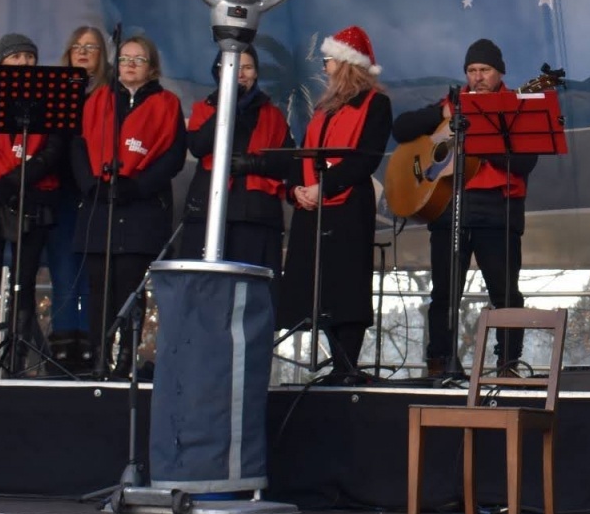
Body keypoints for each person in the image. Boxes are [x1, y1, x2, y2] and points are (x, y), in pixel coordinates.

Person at [393, 38, 534, 376]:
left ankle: (508, 364)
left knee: (505, 293)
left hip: (497, 209)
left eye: (484, 70)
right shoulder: (454, 103)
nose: (477, 77)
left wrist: (481, 138)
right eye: (471, 71)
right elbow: (401, 129)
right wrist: (440, 113)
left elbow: (525, 162)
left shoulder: (516, 106)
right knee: (444, 292)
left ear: (500, 72)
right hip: (448, 206)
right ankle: (439, 361)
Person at [277, 25, 393, 385]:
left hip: (346, 208)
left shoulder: (375, 104)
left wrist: (324, 187)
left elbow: (364, 159)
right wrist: (296, 188)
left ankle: (347, 365)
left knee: (346, 286)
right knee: (318, 286)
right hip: (313, 207)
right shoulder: (323, 108)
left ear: (345, 64)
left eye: (327, 60)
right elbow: (305, 153)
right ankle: (337, 362)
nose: (324, 67)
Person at [71, 33, 186, 377]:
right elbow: (77, 145)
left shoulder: (168, 103)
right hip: (99, 207)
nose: (130, 64)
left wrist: (136, 186)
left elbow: (173, 156)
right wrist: (90, 184)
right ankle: (97, 356)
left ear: (152, 67)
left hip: (141, 209)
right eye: (124, 59)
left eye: (138, 59)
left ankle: (125, 358)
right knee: (99, 288)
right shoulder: (98, 99)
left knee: (130, 287)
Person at [0, 33, 67, 377]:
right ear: (1, 62)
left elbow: (52, 147)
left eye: (29, 58)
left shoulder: (49, 98)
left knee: (25, 281)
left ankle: (16, 360)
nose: (24, 64)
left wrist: (23, 178)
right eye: (16, 58)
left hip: (31, 196)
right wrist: (4, 185)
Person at [180, 49, 294, 278]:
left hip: (255, 215)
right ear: (219, 72)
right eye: (232, 67)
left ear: (256, 73)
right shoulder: (205, 108)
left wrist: (253, 163)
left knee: (249, 292)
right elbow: (198, 146)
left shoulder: (272, 114)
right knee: (205, 287)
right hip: (208, 212)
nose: (239, 74)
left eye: (247, 67)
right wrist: (226, 104)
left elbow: (287, 161)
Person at [42, 25, 111, 372]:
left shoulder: (112, 95)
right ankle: (63, 351)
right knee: (65, 274)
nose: (83, 52)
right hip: (61, 195)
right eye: (77, 47)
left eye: (92, 47)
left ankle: (92, 351)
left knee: (94, 276)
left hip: (99, 194)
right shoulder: (55, 93)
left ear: (103, 56)